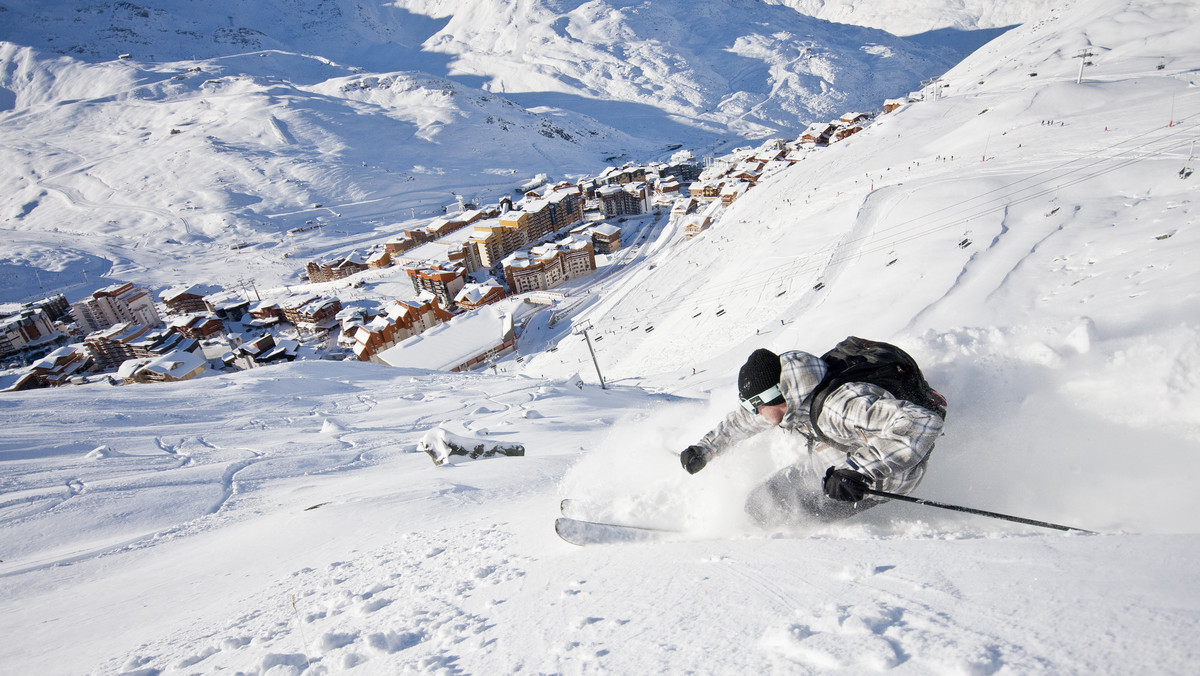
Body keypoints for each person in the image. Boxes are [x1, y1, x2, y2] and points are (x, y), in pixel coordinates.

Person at [680, 347, 945, 526]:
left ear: (778, 392)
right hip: (834, 467)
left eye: (758, 404)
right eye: (751, 405)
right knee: (759, 503)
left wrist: (858, 471)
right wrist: (705, 449)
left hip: (877, 482)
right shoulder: (790, 399)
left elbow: (922, 422)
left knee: (787, 518)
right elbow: (741, 421)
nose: (756, 412)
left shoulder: (839, 407)